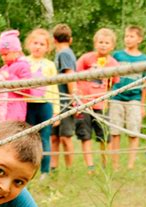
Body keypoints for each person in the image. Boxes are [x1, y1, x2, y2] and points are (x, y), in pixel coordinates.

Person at [76, 28, 120, 172]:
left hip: (101, 104)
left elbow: (114, 81)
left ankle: (105, 164)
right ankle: (90, 166)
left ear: (112, 46)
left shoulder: (113, 63)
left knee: (104, 136)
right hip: (85, 102)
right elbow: (75, 76)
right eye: (100, 42)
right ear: (95, 43)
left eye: (107, 43)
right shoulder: (86, 58)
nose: (103, 45)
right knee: (86, 135)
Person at [109, 26, 146, 170]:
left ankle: (130, 165)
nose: (128, 39)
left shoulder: (144, 59)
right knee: (115, 132)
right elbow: (110, 76)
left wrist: (143, 105)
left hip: (135, 98)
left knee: (133, 132)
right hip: (117, 96)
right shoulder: (117, 55)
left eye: (131, 36)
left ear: (139, 39)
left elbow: (145, 83)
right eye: (126, 36)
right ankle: (115, 165)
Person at [25, 28, 60, 180]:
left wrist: (56, 111)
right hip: (27, 105)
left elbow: (54, 88)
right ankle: (27, 169)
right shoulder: (23, 62)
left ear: (47, 47)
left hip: (45, 105)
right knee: (28, 138)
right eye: (35, 43)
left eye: (41, 44)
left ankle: (45, 171)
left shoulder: (49, 65)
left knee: (44, 138)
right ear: (29, 44)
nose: (38, 46)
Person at [0, 30, 40, 122]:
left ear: (16, 51)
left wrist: (9, 77)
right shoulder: (3, 68)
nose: (3, 57)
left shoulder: (23, 65)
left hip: (16, 111)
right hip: (2, 110)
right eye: (1, 55)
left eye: (6, 54)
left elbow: (27, 88)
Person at [51, 24, 77, 171]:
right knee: (55, 137)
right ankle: (53, 167)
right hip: (57, 101)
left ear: (54, 40)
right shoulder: (61, 54)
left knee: (66, 137)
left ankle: (69, 168)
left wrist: (73, 99)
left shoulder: (65, 54)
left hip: (66, 101)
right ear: (71, 39)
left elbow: (70, 76)